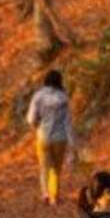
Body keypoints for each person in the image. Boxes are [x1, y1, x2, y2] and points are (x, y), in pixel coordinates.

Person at [25, 70, 73, 204]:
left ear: (45, 81)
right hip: (60, 138)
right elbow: (67, 121)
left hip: (43, 136)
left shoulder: (38, 96)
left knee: (44, 166)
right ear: (59, 81)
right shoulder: (63, 97)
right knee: (56, 168)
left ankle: (46, 193)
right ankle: (54, 196)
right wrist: (72, 142)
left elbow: (30, 119)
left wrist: (37, 126)